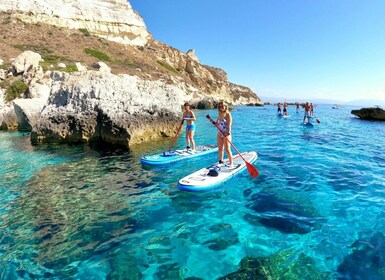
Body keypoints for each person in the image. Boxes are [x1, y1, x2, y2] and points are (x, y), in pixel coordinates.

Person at [215, 101, 233, 167]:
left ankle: (231, 163)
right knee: (220, 148)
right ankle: (221, 161)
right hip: (219, 133)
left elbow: (229, 125)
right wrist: (214, 123)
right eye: (220, 106)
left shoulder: (228, 114)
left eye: (222, 106)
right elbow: (217, 124)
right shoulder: (219, 114)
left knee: (227, 149)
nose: (221, 107)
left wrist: (228, 133)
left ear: (225, 106)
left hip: (226, 134)